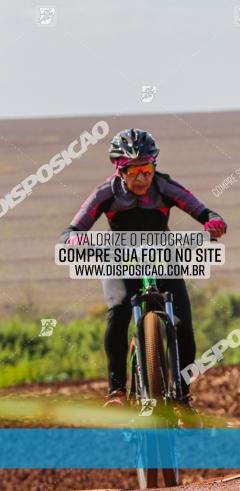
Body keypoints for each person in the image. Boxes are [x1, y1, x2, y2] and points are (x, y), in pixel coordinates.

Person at [58, 129, 227, 413]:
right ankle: (116, 391)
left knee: (183, 325)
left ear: (154, 167)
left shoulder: (165, 187)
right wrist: (74, 239)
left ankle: (183, 397)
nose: (141, 178)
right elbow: (70, 230)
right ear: (119, 171)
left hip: (163, 260)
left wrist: (213, 222)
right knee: (120, 309)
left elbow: (205, 212)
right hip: (119, 262)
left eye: (146, 170)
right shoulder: (105, 193)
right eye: (132, 171)